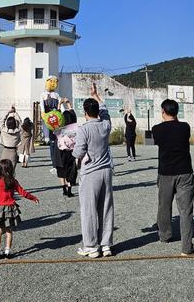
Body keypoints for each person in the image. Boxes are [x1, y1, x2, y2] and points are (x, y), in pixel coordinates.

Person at [151, 99, 194, 256]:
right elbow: (176, 125)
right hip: (184, 172)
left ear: (163, 112)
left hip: (165, 173)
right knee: (186, 210)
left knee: (164, 206)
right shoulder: (185, 127)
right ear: (177, 112)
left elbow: (159, 139)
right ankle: (186, 248)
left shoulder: (156, 129)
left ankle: (165, 235)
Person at [72, 83, 114, 258]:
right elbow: (105, 110)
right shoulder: (105, 125)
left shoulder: (84, 129)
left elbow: (78, 153)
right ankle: (106, 244)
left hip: (90, 172)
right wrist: (95, 95)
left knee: (88, 210)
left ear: (85, 112)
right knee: (106, 208)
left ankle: (90, 246)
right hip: (106, 170)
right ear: (97, 111)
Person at [55, 100, 78, 197]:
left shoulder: (60, 127)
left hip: (60, 150)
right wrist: (68, 104)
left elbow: (57, 117)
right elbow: (73, 115)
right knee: (70, 169)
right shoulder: (74, 127)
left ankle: (64, 189)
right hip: (71, 151)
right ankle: (69, 190)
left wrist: (59, 104)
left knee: (61, 169)